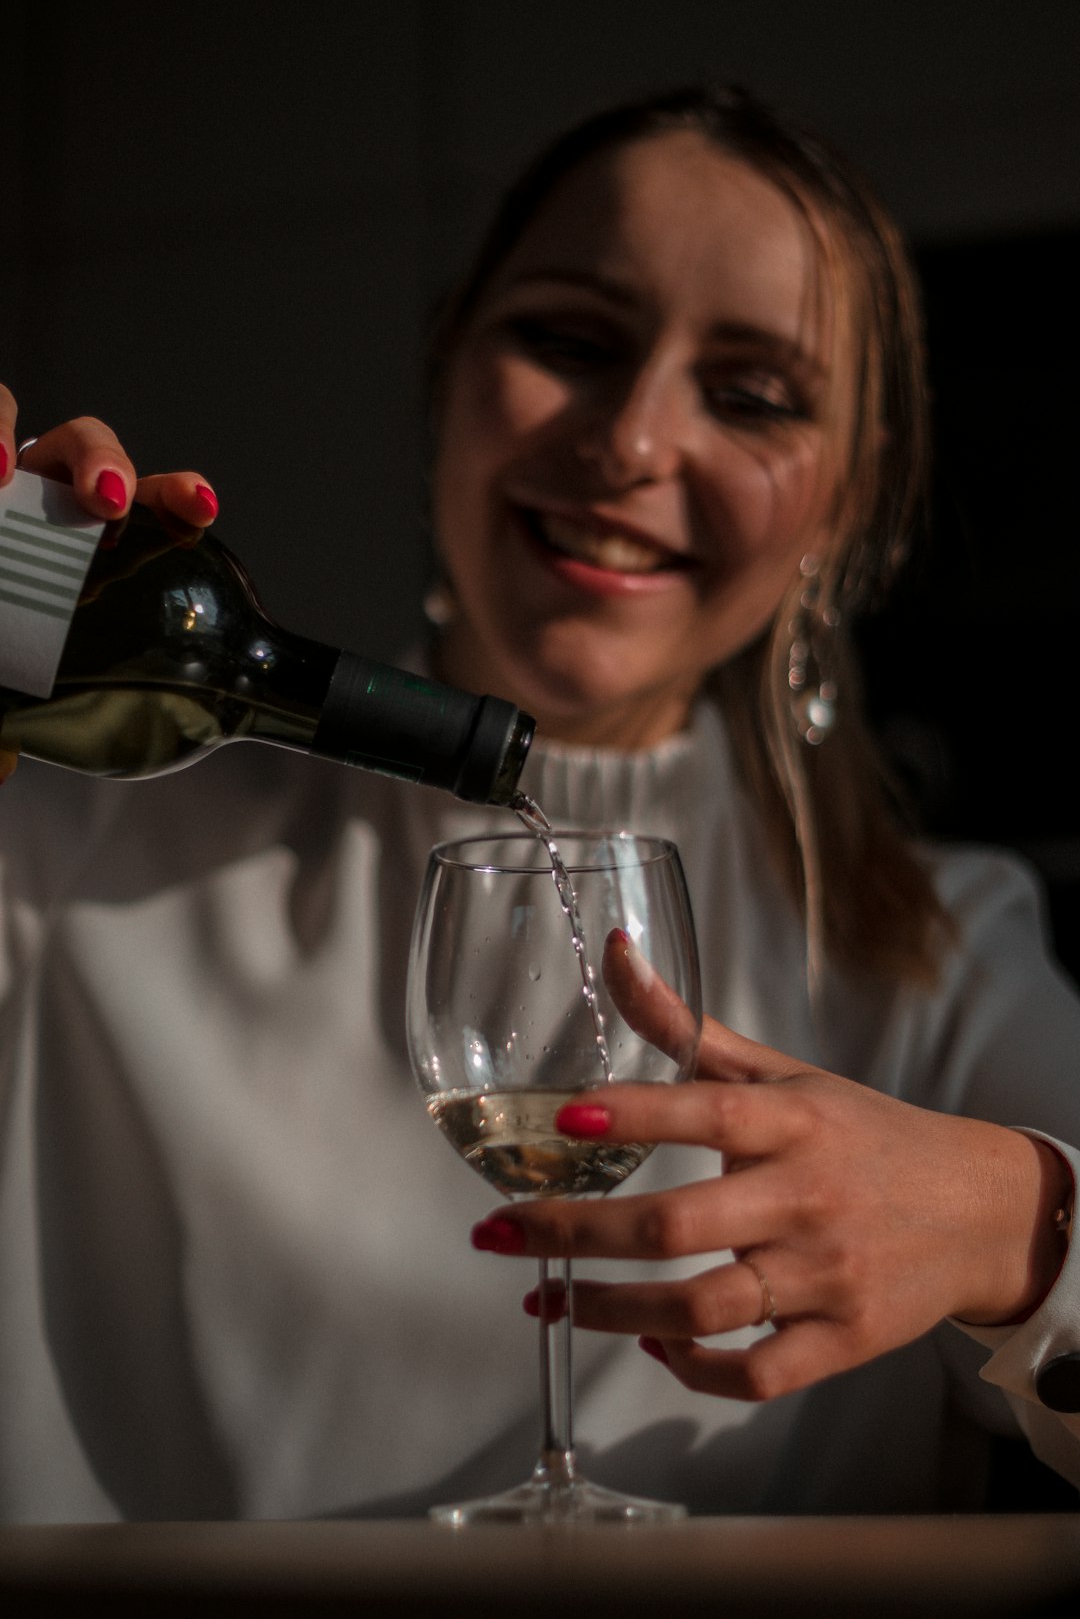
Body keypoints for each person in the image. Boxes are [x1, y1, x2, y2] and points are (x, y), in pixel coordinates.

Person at [0, 84, 1077, 1523]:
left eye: (752, 394)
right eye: (570, 339)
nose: (631, 442)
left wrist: (1021, 1223)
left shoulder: (933, 949)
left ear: (844, 502)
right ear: (447, 374)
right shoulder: (64, 829)